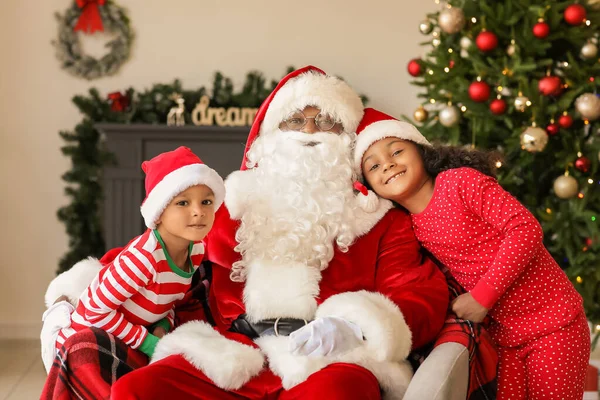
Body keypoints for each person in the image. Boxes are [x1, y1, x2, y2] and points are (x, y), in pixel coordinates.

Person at [110, 66, 449, 400]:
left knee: (339, 392)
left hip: (330, 361)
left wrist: (355, 325)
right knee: (137, 389)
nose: (310, 131)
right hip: (236, 353)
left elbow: (418, 292)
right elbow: (160, 249)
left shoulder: (379, 219)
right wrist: (79, 296)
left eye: (327, 121)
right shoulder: (232, 204)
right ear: (268, 137)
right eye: (295, 120)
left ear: (348, 140)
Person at [354, 107, 590, 400]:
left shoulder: (459, 183)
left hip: (554, 325)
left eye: (396, 151)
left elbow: (525, 229)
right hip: (506, 339)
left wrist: (483, 296)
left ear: (421, 151)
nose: (387, 165)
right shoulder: (408, 227)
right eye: (373, 166)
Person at [40, 146, 225, 399]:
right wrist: (148, 342)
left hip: (130, 334)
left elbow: (166, 301)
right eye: (183, 202)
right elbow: (92, 312)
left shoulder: (195, 251)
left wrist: (162, 325)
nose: (198, 211)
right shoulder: (143, 258)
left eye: (206, 201)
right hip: (86, 335)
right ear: (159, 213)